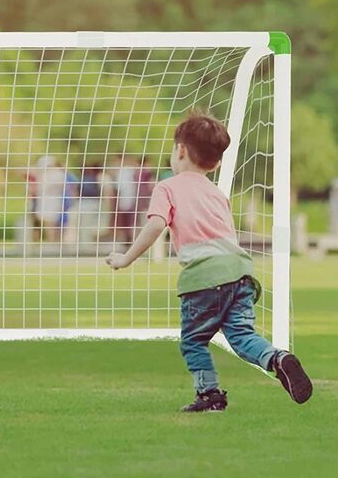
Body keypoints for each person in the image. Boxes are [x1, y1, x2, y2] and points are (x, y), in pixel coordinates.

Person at [105, 112, 312, 412]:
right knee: (241, 337)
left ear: (180, 151)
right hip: (240, 273)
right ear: (215, 163)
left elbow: (155, 225)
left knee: (193, 341)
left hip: (204, 278)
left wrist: (125, 258)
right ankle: (277, 358)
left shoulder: (168, 187)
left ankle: (210, 395)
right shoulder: (217, 194)